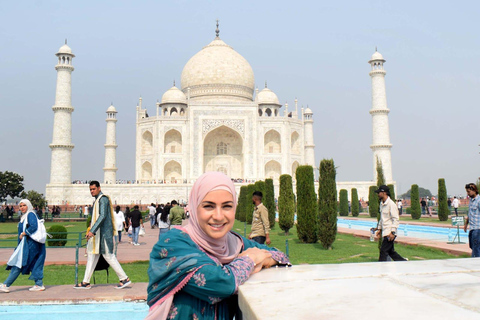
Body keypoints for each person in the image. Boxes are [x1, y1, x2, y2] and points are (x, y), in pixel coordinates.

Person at [146, 172, 290, 319]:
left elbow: (281, 256)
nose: (218, 216)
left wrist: (262, 258)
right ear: (194, 207)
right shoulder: (173, 243)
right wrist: (250, 260)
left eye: (227, 206)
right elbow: (222, 283)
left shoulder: (233, 242)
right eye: (209, 206)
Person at [74, 181, 131, 289]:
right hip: (98, 234)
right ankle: (86, 282)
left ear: (99, 188)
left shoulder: (103, 199)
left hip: (104, 233)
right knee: (92, 255)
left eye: (93, 189)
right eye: (90, 189)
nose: (92, 191)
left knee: (108, 255)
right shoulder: (97, 200)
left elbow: (102, 215)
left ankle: (124, 278)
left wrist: (92, 230)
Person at [0, 199, 46, 293]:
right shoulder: (25, 216)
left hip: (31, 244)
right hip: (30, 244)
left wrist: (25, 233)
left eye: (24, 205)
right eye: (20, 206)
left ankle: (6, 284)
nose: (22, 207)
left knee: (19, 262)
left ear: (28, 205)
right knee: (34, 263)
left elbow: (33, 226)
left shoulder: (30, 214)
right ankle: (39, 284)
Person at [374, 185, 407, 262]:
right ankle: (403, 262)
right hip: (385, 231)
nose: (378, 194)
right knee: (390, 251)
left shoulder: (391, 204)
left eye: (379, 192)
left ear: (384, 193)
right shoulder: (382, 204)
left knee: (383, 251)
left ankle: (381, 268)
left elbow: (395, 219)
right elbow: (382, 219)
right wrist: (379, 229)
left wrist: (393, 232)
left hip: (389, 233)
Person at [463, 183, 480, 257]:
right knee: (472, 246)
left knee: (476, 247)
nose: (468, 193)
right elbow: (470, 214)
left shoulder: (479, 201)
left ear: (474, 190)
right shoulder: (471, 200)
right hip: (472, 228)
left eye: (469, 191)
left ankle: (475, 262)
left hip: (477, 228)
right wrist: (466, 224)